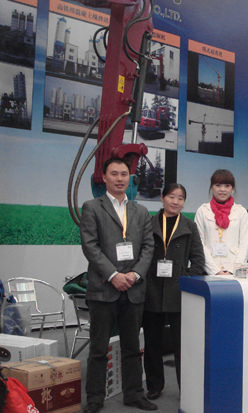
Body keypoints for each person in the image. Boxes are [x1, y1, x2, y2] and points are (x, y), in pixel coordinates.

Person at [79, 158, 156, 413]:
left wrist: (135, 274)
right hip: (103, 289)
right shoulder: (92, 207)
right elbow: (90, 246)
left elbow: (148, 247)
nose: (120, 178)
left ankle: (134, 394)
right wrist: (113, 275)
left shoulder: (140, 211)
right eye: (114, 174)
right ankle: (95, 398)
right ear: (104, 177)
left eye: (124, 174)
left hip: (133, 289)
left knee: (132, 347)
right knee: (99, 348)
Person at [142, 183, 206, 401]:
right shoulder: (148, 223)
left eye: (180, 198)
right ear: (162, 198)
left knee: (182, 345)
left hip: (178, 292)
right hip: (151, 290)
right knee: (152, 342)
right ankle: (154, 386)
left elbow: (198, 260)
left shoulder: (189, 226)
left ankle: (185, 388)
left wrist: (184, 278)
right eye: (171, 196)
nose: (175, 201)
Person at [194, 169, 248, 275]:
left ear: (232, 189)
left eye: (227, 186)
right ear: (211, 187)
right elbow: (199, 243)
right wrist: (215, 271)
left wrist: (232, 271)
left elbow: (244, 245)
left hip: (233, 273)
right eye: (218, 185)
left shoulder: (241, 212)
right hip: (208, 272)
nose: (222, 189)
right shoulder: (203, 211)